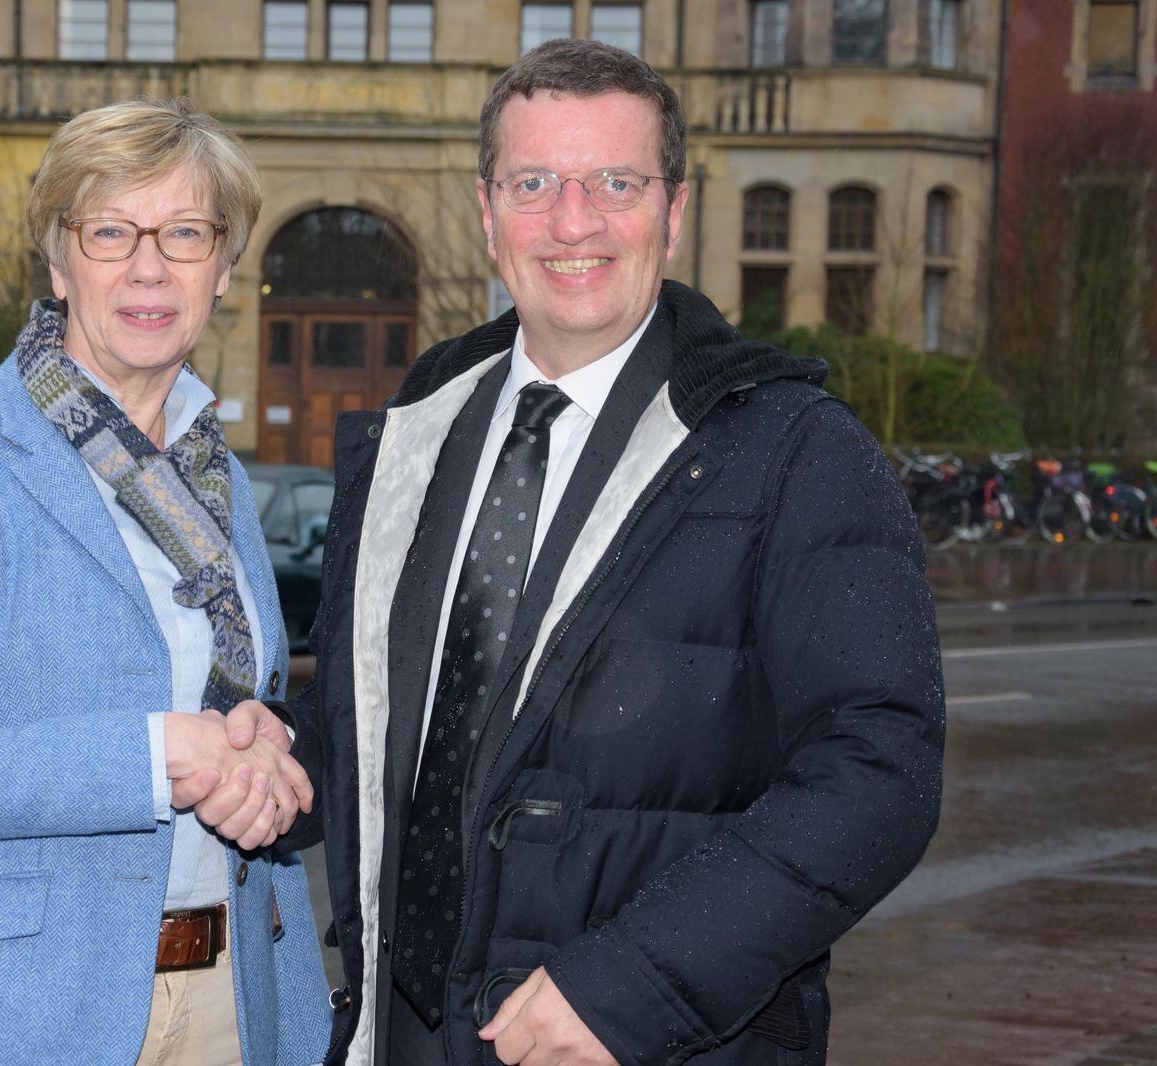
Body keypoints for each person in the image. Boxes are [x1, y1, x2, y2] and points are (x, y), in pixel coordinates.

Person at [264, 39, 946, 1066]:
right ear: (488, 210)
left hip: (639, 1040)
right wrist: (280, 759)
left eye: (613, 181)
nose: (571, 220)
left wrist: (631, 985)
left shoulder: (792, 448)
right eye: (534, 182)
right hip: (402, 1034)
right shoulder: (415, 431)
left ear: (673, 212)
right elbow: (404, 717)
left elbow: (878, 769)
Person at [0, 98, 331, 1065]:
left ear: (224, 268)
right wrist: (165, 755)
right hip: (16, 1008)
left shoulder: (214, 473)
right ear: (60, 262)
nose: (149, 266)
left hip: (237, 995)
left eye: (185, 233)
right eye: (111, 231)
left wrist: (261, 749)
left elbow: (231, 701)